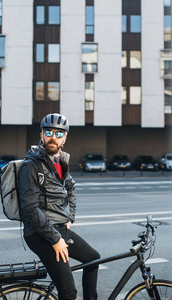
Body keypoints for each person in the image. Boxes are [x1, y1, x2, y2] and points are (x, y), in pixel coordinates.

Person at [19, 113, 100, 300]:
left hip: (59, 228)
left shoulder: (61, 162)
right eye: (48, 132)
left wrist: (70, 218)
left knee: (93, 260)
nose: (53, 137)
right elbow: (30, 209)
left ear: (65, 138)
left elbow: (71, 188)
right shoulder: (31, 166)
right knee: (68, 293)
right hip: (40, 234)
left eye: (58, 133)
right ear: (41, 135)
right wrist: (55, 239)